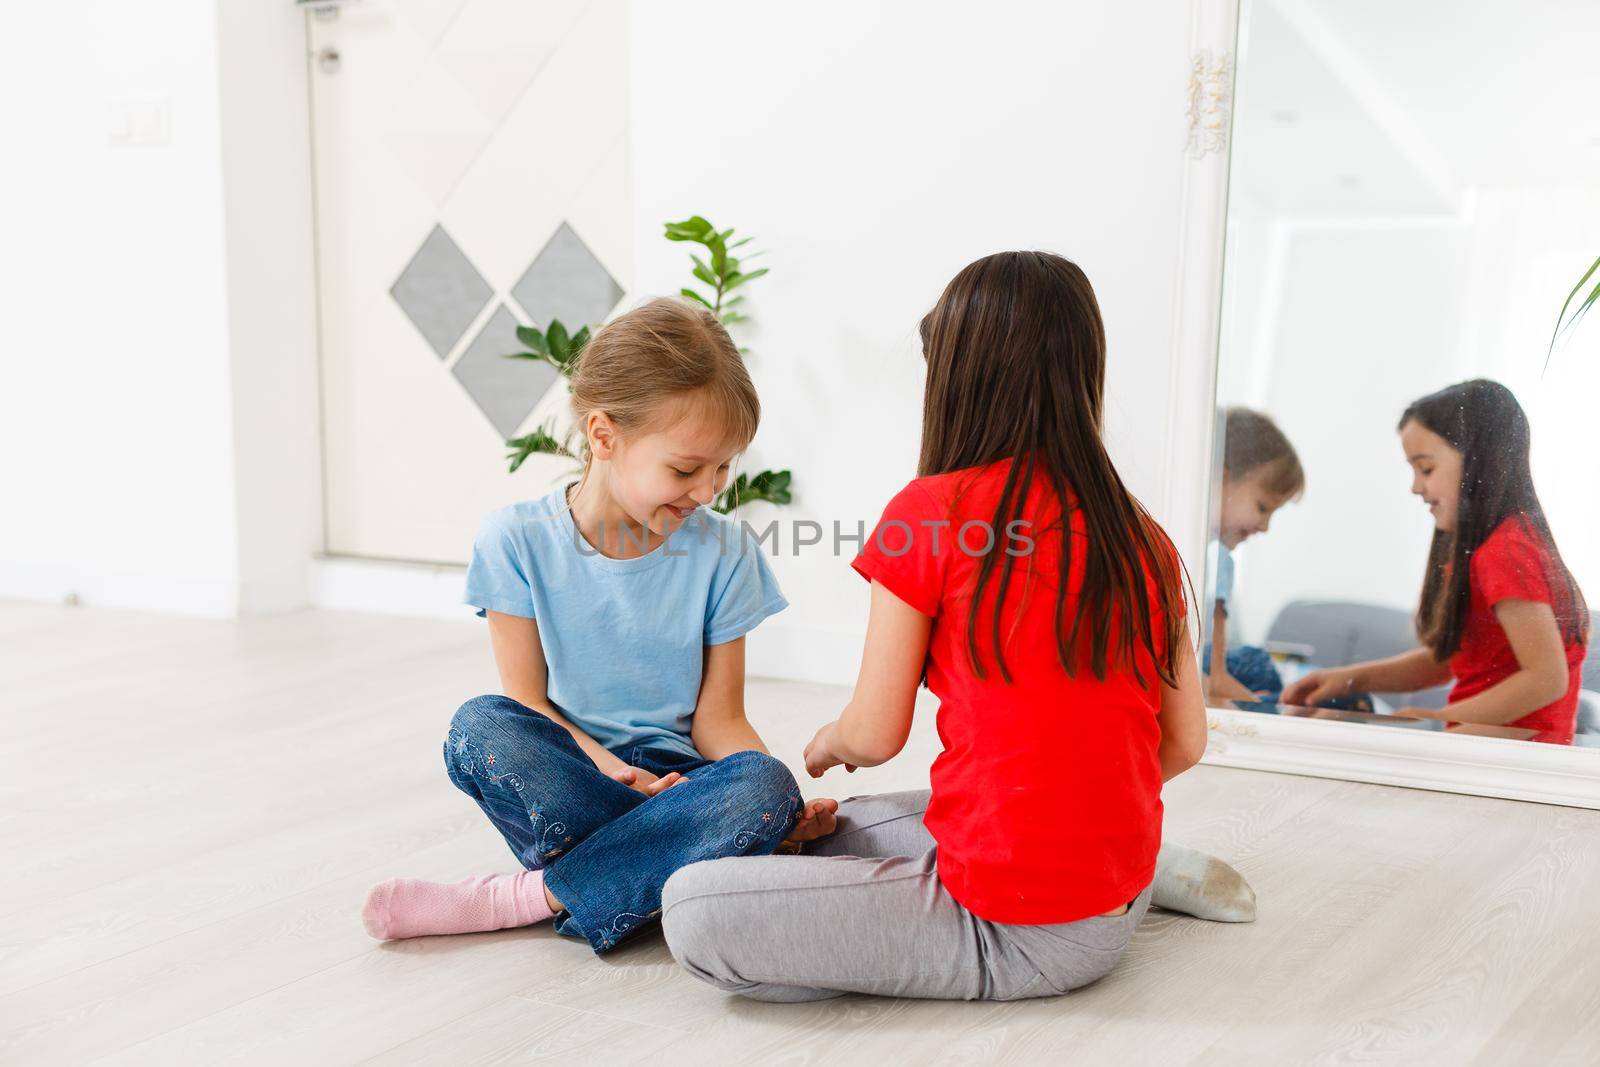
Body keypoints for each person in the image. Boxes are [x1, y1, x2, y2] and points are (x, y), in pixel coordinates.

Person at [659, 251, 1236, 1003]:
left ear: (960, 379)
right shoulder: (1142, 536)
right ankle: (1154, 872)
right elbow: (1184, 742)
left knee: (693, 906)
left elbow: (873, 735)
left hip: (1017, 932)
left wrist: (830, 740)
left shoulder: (933, 513)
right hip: (1113, 897)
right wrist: (1080, 809)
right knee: (818, 828)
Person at [359, 297, 837, 952]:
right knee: (480, 724)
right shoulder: (516, 540)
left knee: (764, 781)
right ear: (604, 435)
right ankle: (667, 857)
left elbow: (718, 721)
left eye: (724, 468)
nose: (708, 491)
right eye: (686, 468)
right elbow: (526, 701)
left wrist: (775, 801)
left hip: (684, 780)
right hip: (577, 774)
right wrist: (616, 771)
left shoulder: (726, 552)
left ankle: (532, 895)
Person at [1283, 379, 1589, 745]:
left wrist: (1437, 720)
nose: (1415, 487)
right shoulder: (1491, 548)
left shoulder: (1504, 552)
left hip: (1513, 763)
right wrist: (1352, 677)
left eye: (1425, 469)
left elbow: (1546, 679)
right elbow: (1449, 661)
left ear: (1480, 462)